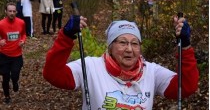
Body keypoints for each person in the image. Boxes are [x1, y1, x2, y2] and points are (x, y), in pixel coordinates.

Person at [43, 14, 199, 109]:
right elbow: (53, 74)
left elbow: (185, 87)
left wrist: (184, 46)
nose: (129, 49)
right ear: (110, 47)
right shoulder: (90, 67)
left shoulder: (151, 71)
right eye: (123, 42)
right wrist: (67, 35)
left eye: (135, 43)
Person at [0, 2, 26, 104]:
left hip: (17, 56)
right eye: (9, 11)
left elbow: (24, 34)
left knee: (14, 75)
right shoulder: (1, 24)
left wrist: (23, 41)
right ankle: (7, 96)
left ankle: (15, 82)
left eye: (13, 11)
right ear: (6, 11)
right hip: (4, 56)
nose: (12, 13)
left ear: (16, 12)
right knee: (5, 78)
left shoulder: (21, 22)